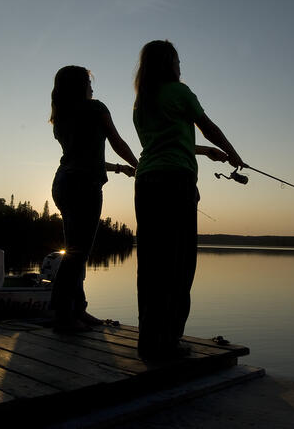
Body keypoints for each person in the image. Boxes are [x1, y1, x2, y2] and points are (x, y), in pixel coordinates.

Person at [132, 40, 244, 359]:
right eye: (178, 61)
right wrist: (233, 153)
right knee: (179, 262)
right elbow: (206, 126)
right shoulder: (179, 91)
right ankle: (169, 341)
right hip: (175, 181)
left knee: (152, 263)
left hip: (147, 181)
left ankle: (149, 340)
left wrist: (204, 151)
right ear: (169, 63)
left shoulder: (142, 102)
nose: (181, 67)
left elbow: (164, 141)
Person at [50, 65, 138, 331]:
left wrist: (119, 168)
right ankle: (63, 315)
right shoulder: (95, 108)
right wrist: (139, 165)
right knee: (78, 254)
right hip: (84, 186)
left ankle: (78, 309)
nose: (92, 87)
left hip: (63, 183)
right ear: (80, 85)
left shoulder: (61, 116)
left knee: (74, 249)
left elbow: (83, 155)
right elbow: (117, 142)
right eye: (89, 82)